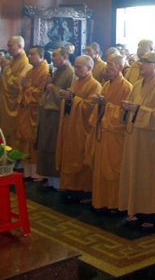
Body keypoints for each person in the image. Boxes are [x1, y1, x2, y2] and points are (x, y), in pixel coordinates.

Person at [119, 51, 155, 229]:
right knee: (135, 173)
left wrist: (139, 109)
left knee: (149, 176)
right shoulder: (137, 84)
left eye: (145, 62)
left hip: (151, 141)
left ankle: (152, 214)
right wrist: (127, 107)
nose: (140, 64)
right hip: (135, 138)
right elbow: (133, 106)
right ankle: (137, 210)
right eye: (141, 61)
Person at [87, 54, 132, 212]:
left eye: (111, 65)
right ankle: (101, 201)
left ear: (120, 67)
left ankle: (115, 204)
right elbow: (104, 107)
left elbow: (125, 115)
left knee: (114, 171)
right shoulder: (106, 85)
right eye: (107, 64)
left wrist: (106, 105)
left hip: (116, 136)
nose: (107, 67)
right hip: (103, 133)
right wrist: (100, 103)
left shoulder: (127, 87)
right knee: (100, 169)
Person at [56, 55, 102, 201]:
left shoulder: (95, 85)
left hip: (84, 130)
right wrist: (67, 100)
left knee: (83, 158)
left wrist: (72, 99)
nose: (76, 70)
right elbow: (70, 103)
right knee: (70, 156)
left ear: (89, 68)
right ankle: (71, 188)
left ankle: (85, 192)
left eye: (79, 67)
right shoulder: (75, 83)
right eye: (75, 67)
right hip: (71, 128)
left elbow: (91, 107)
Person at [36, 47, 74, 190]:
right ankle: (50, 179)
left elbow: (70, 96)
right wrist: (48, 85)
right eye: (52, 56)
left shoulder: (70, 72)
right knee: (46, 144)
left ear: (64, 57)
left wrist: (53, 88)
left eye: (55, 55)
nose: (52, 58)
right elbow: (48, 90)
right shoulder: (56, 71)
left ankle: (59, 182)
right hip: (48, 115)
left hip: (58, 116)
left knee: (55, 147)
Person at [15, 46, 49, 180]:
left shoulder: (45, 71)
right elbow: (23, 90)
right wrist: (24, 88)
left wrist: (27, 88)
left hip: (36, 113)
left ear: (41, 55)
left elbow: (41, 94)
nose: (29, 56)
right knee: (25, 141)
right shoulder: (30, 71)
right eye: (28, 54)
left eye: (32, 54)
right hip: (26, 112)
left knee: (35, 141)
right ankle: (27, 171)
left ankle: (38, 172)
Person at [0, 36, 32, 146]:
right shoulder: (12, 61)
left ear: (20, 46)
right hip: (6, 103)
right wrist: (3, 70)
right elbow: (2, 84)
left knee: (13, 138)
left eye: (10, 46)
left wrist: (6, 69)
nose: (8, 49)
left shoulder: (25, 63)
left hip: (15, 106)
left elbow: (17, 85)